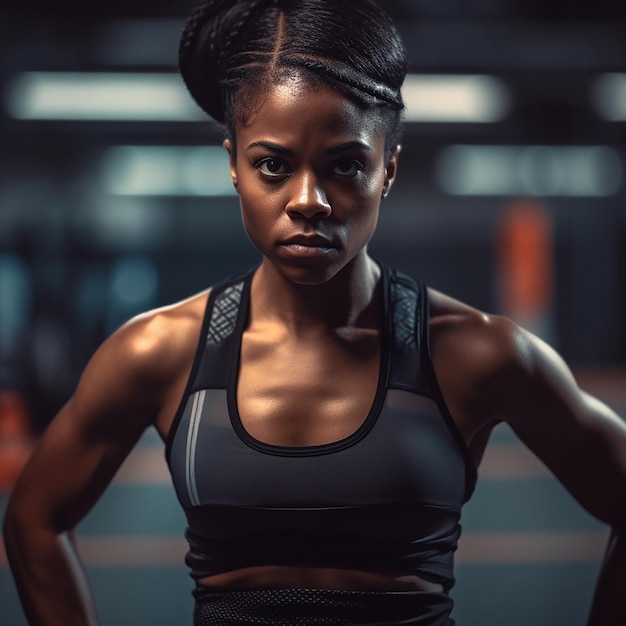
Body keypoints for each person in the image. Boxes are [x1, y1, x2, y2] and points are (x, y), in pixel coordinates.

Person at [3, 0, 626, 624]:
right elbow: (34, 521)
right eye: (273, 165)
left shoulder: (480, 353)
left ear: (388, 170)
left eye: (345, 166)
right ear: (233, 166)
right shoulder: (159, 352)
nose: (308, 201)